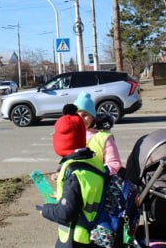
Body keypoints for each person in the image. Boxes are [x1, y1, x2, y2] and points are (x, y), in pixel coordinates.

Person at [39, 106, 105, 247]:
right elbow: (84, 194)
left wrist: (45, 210)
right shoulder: (93, 160)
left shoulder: (74, 172)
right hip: (92, 231)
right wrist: (61, 196)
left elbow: (66, 213)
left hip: (76, 237)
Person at [73, 92, 122, 175]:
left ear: (93, 117)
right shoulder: (71, 138)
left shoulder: (104, 138)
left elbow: (114, 164)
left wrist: (99, 173)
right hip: (75, 184)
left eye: (85, 115)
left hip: (98, 184)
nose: (80, 119)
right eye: (77, 115)